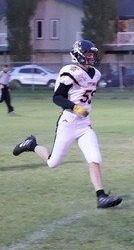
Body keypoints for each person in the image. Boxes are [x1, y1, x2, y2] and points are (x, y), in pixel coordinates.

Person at [13, 40, 122, 209]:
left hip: (84, 124)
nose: (91, 57)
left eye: (92, 54)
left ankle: (101, 197)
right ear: (78, 55)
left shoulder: (96, 74)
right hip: (68, 122)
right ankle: (31, 145)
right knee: (53, 163)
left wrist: (81, 109)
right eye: (88, 54)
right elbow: (57, 97)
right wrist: (75, 107)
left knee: (94, 158)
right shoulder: (70, 71)